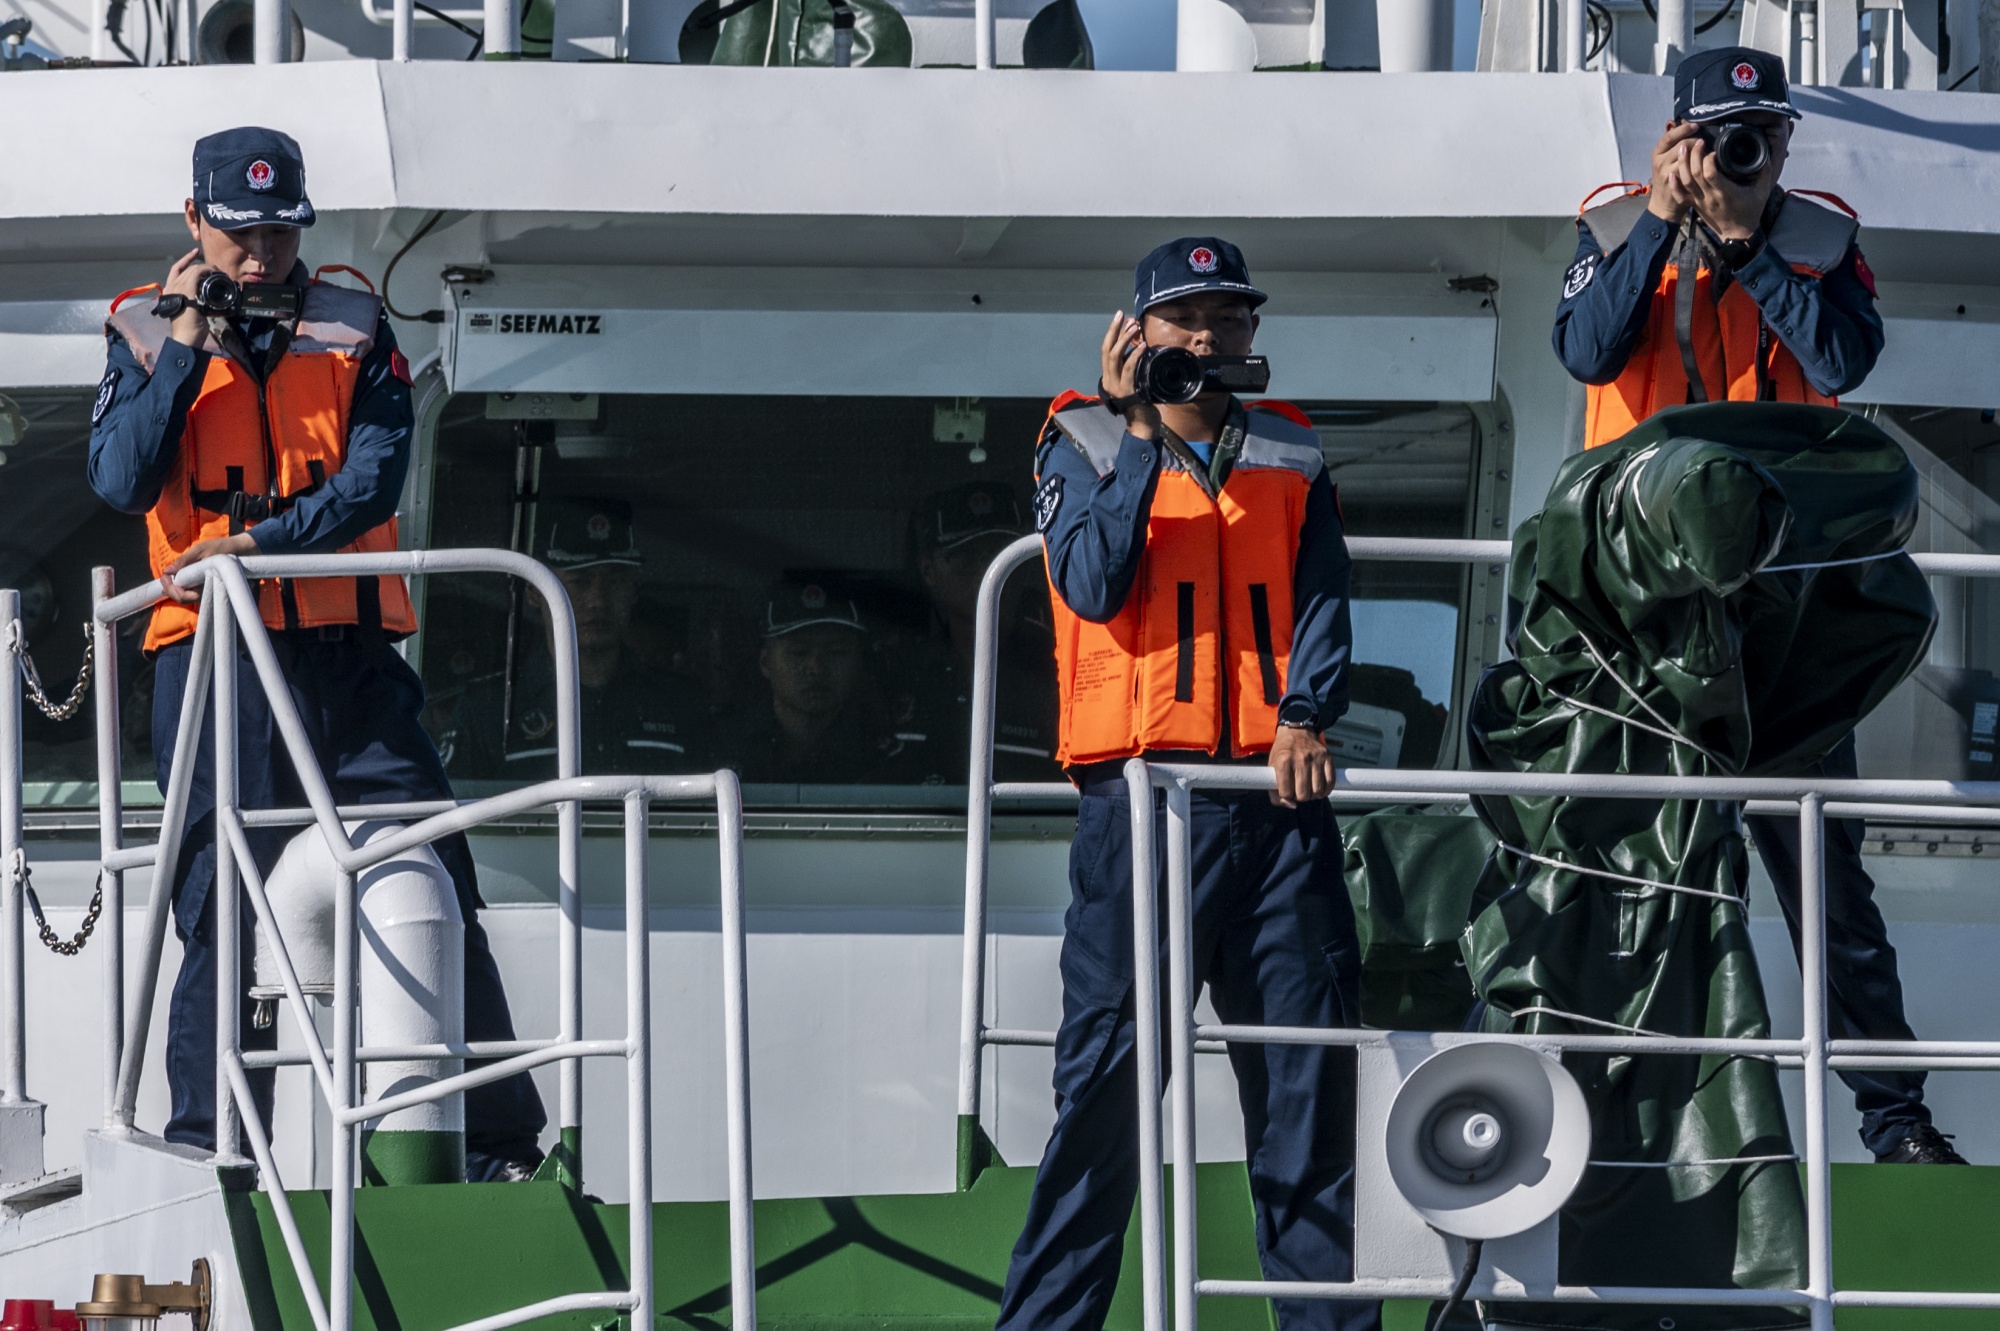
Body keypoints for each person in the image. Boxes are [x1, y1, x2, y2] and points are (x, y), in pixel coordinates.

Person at [86, 127, 546, 1180]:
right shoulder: (143, 333)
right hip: (217, 666)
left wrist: (260, 545)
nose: (263, 258)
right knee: (219, 907)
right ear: (194, 222)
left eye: (281, 234)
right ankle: (215, 1153)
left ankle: (496, 1147)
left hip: (352, 665)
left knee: (440, 877)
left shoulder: (356, 326)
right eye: (241, 236)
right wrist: (188, 341)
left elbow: (374, 478)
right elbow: (120, 479)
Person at [1552, 51, 1961, 1167]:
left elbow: (1840, 356)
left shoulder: (1820, 242)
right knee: (1644, 866)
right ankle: (1619, 1119)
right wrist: (1658, 222)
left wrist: (1744, 248)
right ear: (1675, 140)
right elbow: (1584, 351)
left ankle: (1895, 1116)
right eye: (1723, 135)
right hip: (1643, 617)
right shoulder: (1609, 231)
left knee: (1824, 875)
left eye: (1766, 135)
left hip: (1787, 619)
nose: (1749, 154)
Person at [999, 238, 1375, 1331]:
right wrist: (1133, 431)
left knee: (1309, 1098)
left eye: (1228, 317)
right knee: (1102, 1102)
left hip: (1280, 814)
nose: (1207, 338)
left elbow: (1323, 596)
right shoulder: (1078, 438)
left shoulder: (1292, 448)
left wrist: (1304, 713)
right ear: (1136, 331)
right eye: (1183, 319)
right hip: (1141, 812)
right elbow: (1090, 580)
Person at [440, 497, 711, 778]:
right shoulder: (487, 710)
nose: (598, 601)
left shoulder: (680, 704)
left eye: (615, 582)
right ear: (534, 592)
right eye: (579, 582)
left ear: (633, 591)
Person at [900, 482, 1060, 783]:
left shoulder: (1058, 667)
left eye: (1003, 553)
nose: (989, 569)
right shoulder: (900, 670)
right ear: (928, 569)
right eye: (966, 556)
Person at [730, 579, 910, 784]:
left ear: (860, 662)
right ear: (766, 663)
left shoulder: (887, 756)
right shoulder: (725, 744)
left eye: (836, 652)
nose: (816, 668)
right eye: (799, 653)